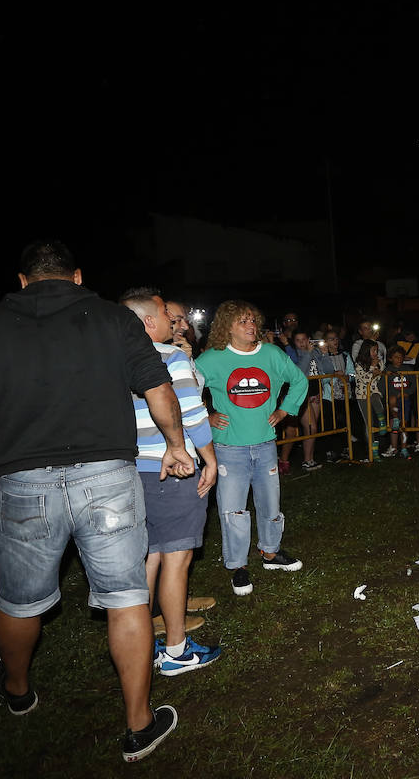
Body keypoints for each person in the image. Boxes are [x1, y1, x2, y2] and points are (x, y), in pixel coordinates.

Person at [0, 240, 191, 762]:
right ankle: (138, 725)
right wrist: (177, 446)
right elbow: (158, 386)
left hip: (25, 479)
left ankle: (19, 691)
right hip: (110, 476)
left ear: (23, 281)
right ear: (75, 277)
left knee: (21, 599)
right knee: (125, 597)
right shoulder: (114, 319)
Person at [119, 288, 222, 674]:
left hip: (129, 472)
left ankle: (139, 645)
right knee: (176, 561)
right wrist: (208, 458)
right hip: (171, 470)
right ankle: (176, 650)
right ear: (148, 321)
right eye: (166, 313)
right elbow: (190, 411)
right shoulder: (168, 357)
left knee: (148, 558)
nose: (173, 321)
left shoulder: (111, 363)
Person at [194, 299, 308, 597]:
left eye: (253, 320)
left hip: (265, 444)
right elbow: (182, 391)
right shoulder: (212, 359)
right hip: (229, 448)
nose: (251, 326)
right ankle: (237, 566)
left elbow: (299, 381)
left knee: (271, 503)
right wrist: (206, 414)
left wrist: (285, 411)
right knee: (234, 511)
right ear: (226, 327)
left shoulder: (271, 354)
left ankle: (270, 553)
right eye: (242, 321)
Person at [279, 330, 321, 474]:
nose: (302, 343)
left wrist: (325, 354)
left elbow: (324, 370)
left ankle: (307, 459)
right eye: (298, 340)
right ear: (294, 342)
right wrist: (308, 354)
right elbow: (299, 373)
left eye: (304, 339)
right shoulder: (292, 355)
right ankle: (283, 460)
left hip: (308, 396)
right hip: (293, 397)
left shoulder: (313, 352)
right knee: (291, 432)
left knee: (311, 428)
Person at [310, 331, 352, 463]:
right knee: (329, 423)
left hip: (344, 394)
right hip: (328, 396)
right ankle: (330, 451)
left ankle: (346, 448)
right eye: (331, 339)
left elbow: (353, 373)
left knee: (344, 421)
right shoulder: (320, 357)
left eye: (336, 338)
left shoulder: (345, 356)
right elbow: (320, 377)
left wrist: (348, 377)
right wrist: (333, 375)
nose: (335, 341)